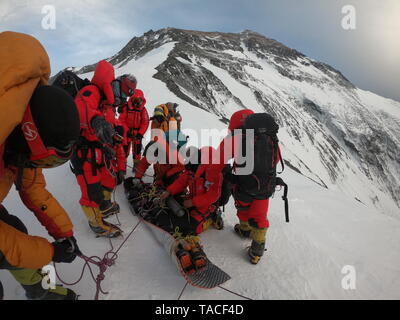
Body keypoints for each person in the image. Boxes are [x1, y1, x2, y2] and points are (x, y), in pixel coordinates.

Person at [0, 31, 81, 300]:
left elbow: (33, 188)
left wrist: (64, 233)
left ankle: (38, 291)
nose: (38, 166)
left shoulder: (17, 127)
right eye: (43, 160)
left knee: (15, 229)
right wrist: (49, 251)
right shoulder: (19, 137)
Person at [217, 109, 282, 264]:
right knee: (260, 216)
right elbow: (277, 158)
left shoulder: (234, 139)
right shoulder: (269, 137)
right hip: (265, 187)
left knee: (243, 207)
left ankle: (245, 229)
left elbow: (219, 158)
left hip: (242, 185)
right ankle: (257, 250)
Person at [71, 60, 124, 238]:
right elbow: (80, 109)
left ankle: (103, 206)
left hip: (98, 151)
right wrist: (95, 120)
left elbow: (107, 122)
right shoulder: (90, 91)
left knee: (109, 178)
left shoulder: (104, 102)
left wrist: (113, 136)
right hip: (84, 154)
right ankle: (96, 224)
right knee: (90, 190)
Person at [118, 89, 149, 162]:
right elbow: (121, 120)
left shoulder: (143, 110)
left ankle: (136, 165)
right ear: (132, 99)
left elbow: (145, 122)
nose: (137, 102)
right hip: (127, 133)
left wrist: (140, 133)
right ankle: (122, 166)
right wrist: (127, 131)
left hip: (137, 133)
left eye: (139, 100)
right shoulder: (126, 108)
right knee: (124, 149)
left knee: (137, 150)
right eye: (135, 99)